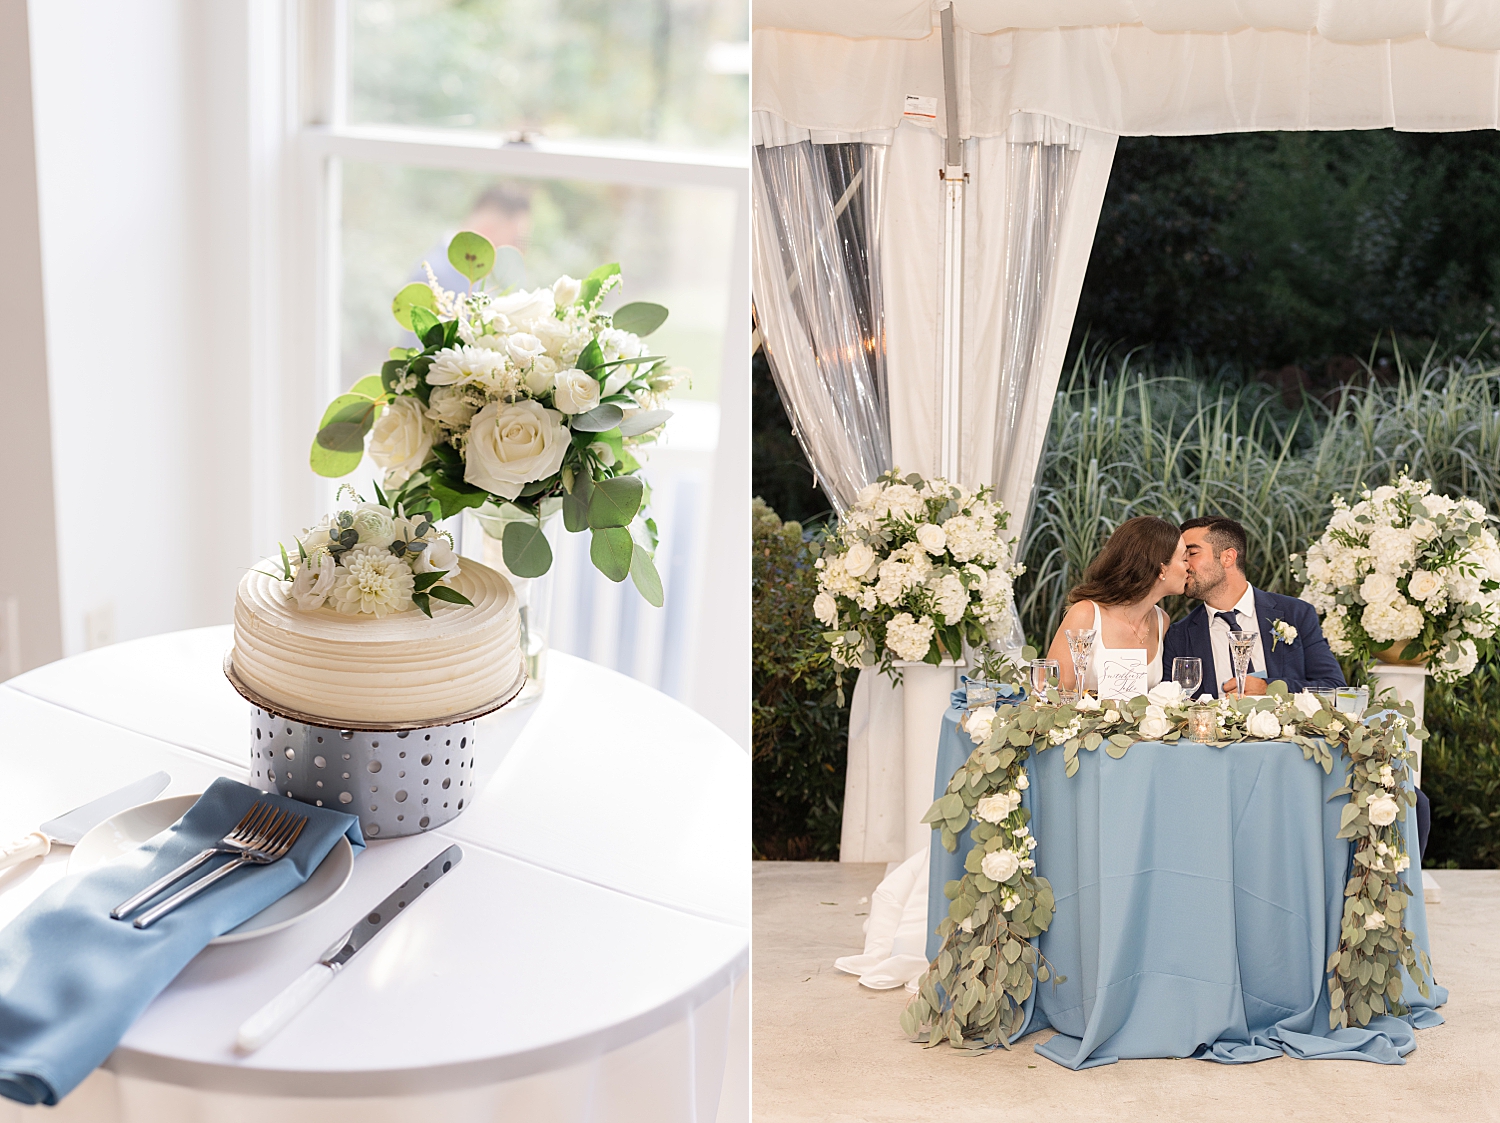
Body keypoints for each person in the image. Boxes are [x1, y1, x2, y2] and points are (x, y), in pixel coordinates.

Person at [1163, 516, 1345, 698]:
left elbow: (1334, 688)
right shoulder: (1178, 637)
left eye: (1192, 554)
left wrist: (1270, 689)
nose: (1184, 565)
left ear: (1228, 557)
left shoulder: (1296, 614)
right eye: (1181, 558)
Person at [1046, 516, 1188, 694]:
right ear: (1162, 569)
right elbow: (1052, 695)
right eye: (1184, 559)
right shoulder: (1086, 614)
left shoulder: (1161, 621)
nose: (1188, 567)